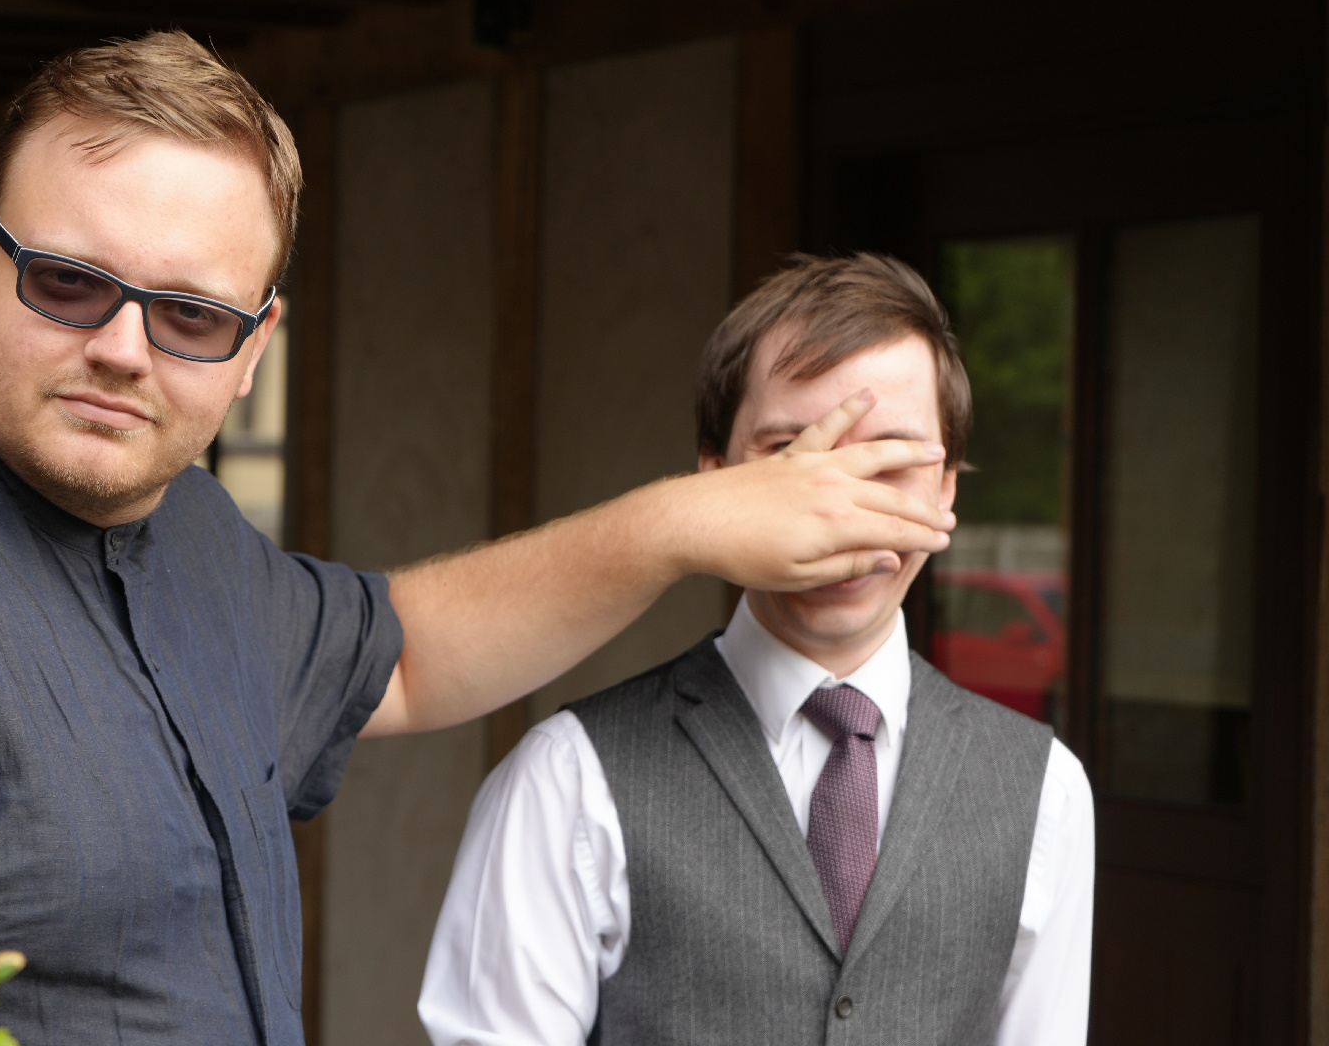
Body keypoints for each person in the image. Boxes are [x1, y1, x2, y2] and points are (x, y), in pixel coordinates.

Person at [0, 34, 955, 1046]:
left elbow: (404, 660)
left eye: (192, 314)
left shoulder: (183, 527)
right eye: (71, 281)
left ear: (254, 348)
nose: (124, 348)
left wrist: (680, 526)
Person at [419, 254, 1094, 1046]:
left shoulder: (1047, 791)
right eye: (791, 457)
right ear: (712, 484)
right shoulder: (566, 779)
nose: (842, 510)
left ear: (947, 487)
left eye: (894, 463)